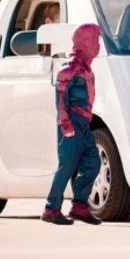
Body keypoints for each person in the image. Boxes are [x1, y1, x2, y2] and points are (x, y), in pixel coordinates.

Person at [41, 23, 103, 226]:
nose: (98, 45)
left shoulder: (86, 68)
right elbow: (60, 98)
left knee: (93, 163)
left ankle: (79, 206)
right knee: (66, 166)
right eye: (95, 40)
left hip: (84, 123)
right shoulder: (69, 68)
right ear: (86, 42)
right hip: (73, 122)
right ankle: (51, 208)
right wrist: (65, 123)